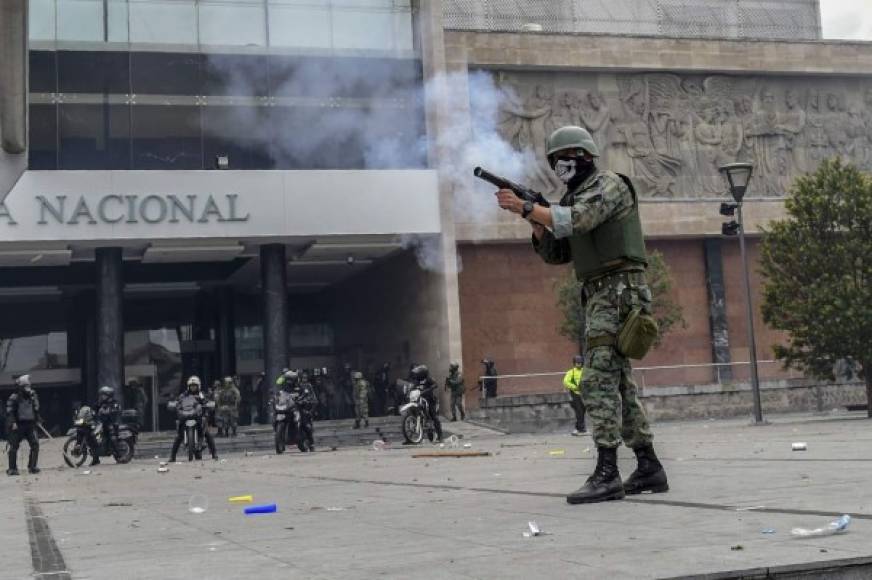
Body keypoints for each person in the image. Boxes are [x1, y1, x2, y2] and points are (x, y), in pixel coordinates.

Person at [494, 125, 668, 505]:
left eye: (567, 157)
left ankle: (607, 473)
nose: (562, 165)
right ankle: (648, 465)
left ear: (585, 156)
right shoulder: (571, 198)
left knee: (596, 380)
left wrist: (530, 207)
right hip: (600, 293)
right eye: (556, 160)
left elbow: (578, 221)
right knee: (618, 383)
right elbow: (558, 254)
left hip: (620, 290)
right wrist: (534, 221)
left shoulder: (608, 185)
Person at [169, 376, 218, 462]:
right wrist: (174, 404)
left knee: (207, 433)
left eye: (195, 386)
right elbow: (178, 402)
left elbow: (206, 402)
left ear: (198, 386)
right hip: (185, 415)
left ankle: (214, 454)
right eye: (191, 386)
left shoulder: (201, 394)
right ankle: (172, 457)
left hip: (197, 416)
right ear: (188, 386)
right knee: (178, 436)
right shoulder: (183, 395)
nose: (193, 387)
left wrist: (209, 404)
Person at [6, 375, 40, 475]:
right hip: (18, 425)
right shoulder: (14, 397)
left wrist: (37, 418)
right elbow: (10, 411)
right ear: (21, 386)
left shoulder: (33, 395)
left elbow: (35, 408)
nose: (28, 388)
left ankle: (32, 467)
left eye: (29, 386)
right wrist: (13, 422)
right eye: (26, 386)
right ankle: (12, 469)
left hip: (30, 424)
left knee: (35, 445)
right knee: (13, 446)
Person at [411, 364, 443, 442]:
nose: (416, 375)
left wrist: (431, 387)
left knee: (434, 417)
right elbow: (412, 387)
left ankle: (440, 436)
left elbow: (435, 384)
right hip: (419, 400)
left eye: (418, 373)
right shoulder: (417, 381)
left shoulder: (429, 379)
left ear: (422, 373)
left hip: (430, 401)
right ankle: (413, 435)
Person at [563, 355, 586, 435]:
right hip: (575, 394)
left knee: (582, 411)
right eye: (577, 363)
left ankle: (577, 428)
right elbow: (566, 382)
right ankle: (581, 429)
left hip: (584, 394)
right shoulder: (571, 372)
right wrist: (574, 387)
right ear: (574, 363)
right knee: (579, 411)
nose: (578, 364)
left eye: (580, 363)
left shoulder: (585, 371)